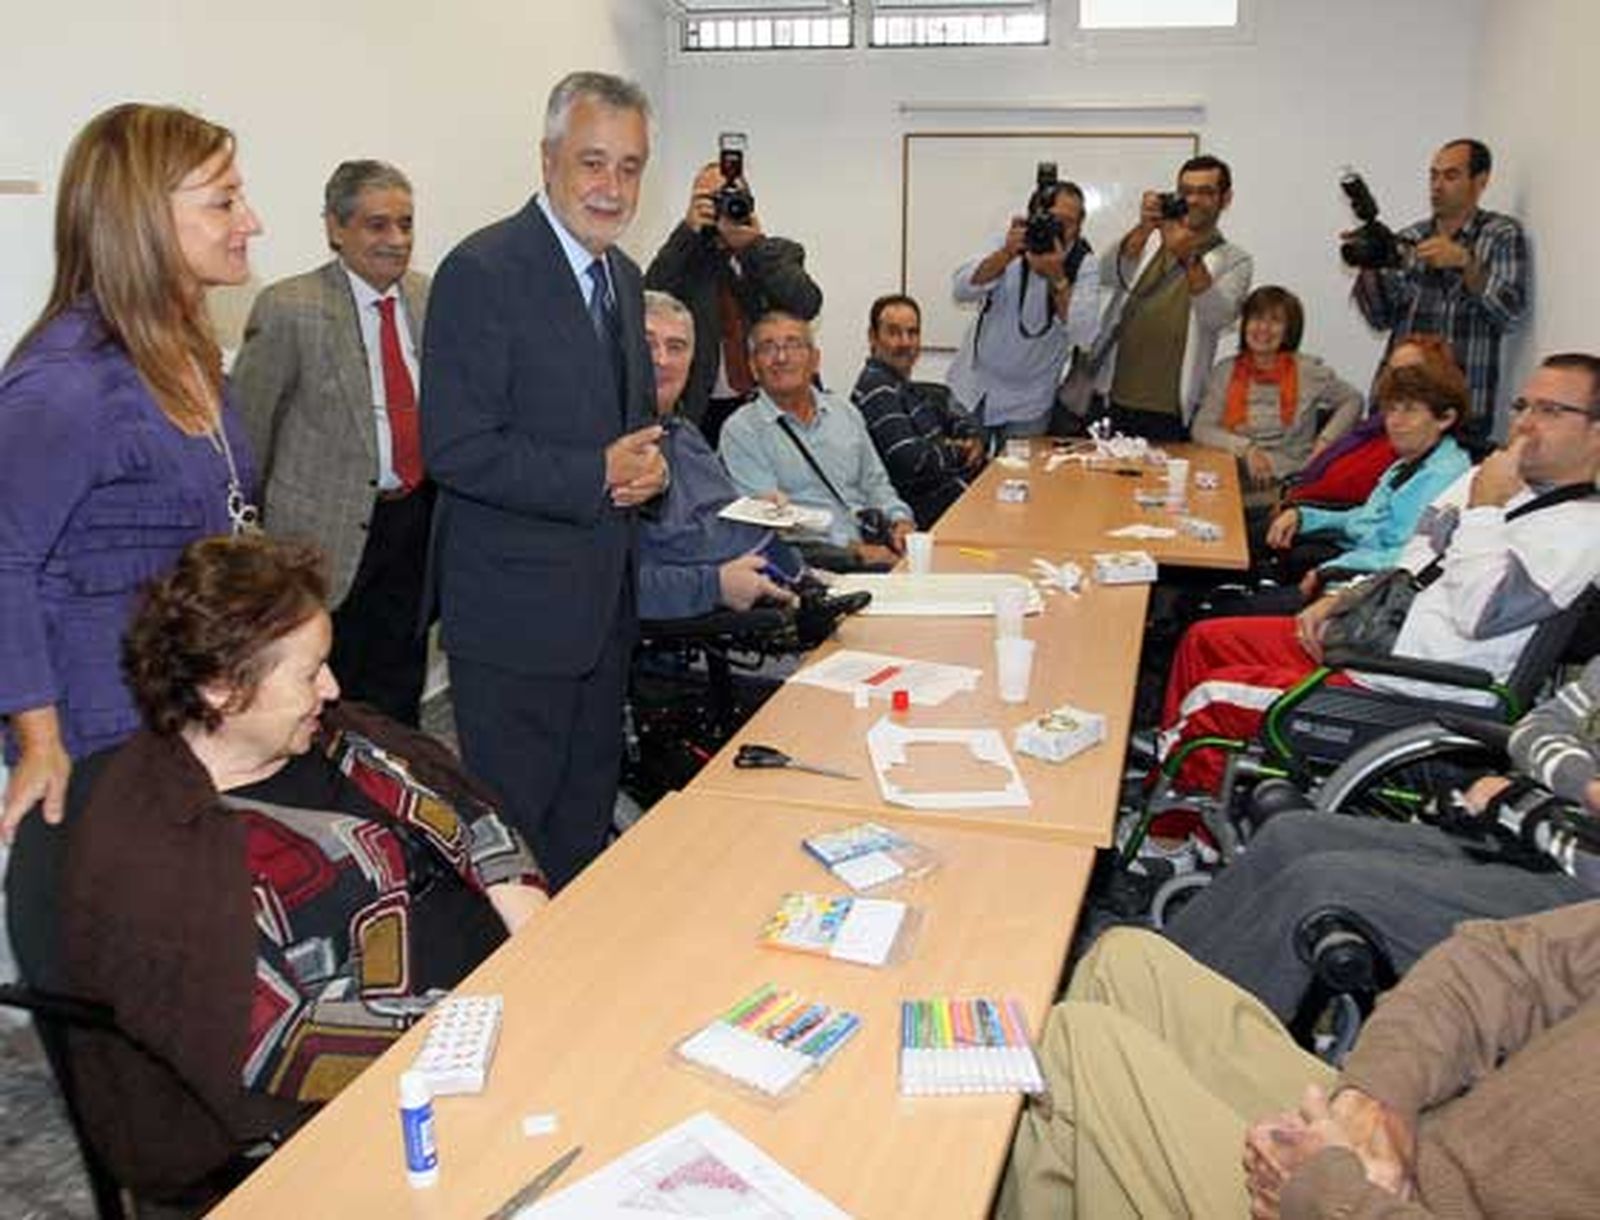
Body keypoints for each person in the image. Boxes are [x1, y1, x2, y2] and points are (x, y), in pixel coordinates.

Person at [18, 534, 545, 1198]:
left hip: (510, 1003)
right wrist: (482, 1025)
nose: (332, 686)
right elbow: (286, 1047)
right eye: (308, 672)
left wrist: (522, 906)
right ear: (221, 690)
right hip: (399, 1097)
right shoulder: (158, 859)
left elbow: (464, 812)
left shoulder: (329, 731)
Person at [420, 71, 666, 890]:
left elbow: (621, 434)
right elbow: (456, 449)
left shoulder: (623, 279)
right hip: (516, 622)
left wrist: (646, 473)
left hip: (604, 614)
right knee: (517, 845)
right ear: (548, 158)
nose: (612, 187)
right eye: (593, 162)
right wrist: (596, 475)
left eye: (630, 167)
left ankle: (577, 987)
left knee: (581, 830)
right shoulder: (483, 271)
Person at [1157, 353, 1600, 795]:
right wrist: (1347, 597)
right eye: (1522, 406)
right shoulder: (1495, 479)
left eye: (1550, 411)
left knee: (1213, 697)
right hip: (1378, 638)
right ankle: (1185, 787)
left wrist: (1485, 508)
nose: (1525, 423)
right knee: (1206, 640)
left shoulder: (1579, 531)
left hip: (1414, 687)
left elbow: (1477, 612)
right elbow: (1415, 555)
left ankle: (1173, 831)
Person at [0, 102, 263, 840]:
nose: (252, 221)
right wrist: (39, 742)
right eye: (224, 201)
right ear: (143, 219)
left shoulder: (193, 358)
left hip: (187, 720)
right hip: (102, 745)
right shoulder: (67, 382)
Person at [998, 908, 1600, 1218]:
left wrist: (1329, 1195)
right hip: (1416, 1154)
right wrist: (1376, 1104)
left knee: (1084, 1049)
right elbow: (1504, 961)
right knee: (1129, 963)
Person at [232, 160, 434, 726]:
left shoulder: (426, 297)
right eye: (377, 225)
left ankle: (396, 790)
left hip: (412, 526)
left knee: (400, 682)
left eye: (406, 224)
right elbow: (249, 434)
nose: (396, 241)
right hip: (323, 542)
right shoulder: (289, 308)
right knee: (324, 693)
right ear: (335, 229)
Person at [1351, 139, 1529, 448]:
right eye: (1433, 176)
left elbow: (1510, 314)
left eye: (1450, 176)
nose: (1437, 186)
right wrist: (1370, 264)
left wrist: (1465, 263)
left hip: (1462, 408)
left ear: (1481, 181)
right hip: (1398, 407)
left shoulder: (1501, 234)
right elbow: (1380, 317)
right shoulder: (1410, 238)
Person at [639, 290, 798, 618]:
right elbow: (611, 585)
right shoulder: (614, 450)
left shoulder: (685, 435)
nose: (662, 359)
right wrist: (714, 586)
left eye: (676, 347)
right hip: (708, 626)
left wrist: (758, 510)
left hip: (766, 588)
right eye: (648, 343)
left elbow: (721, 513)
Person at [644, 159, 822, 445]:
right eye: (711, 199)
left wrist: (754, 247)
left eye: (729, 197)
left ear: (748, 202)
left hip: (768, 403)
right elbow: (648, 300)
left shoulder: (777, 253)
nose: (721, 207)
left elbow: (806, 303)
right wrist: (686, 233)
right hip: (702, 410)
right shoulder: (685, 260)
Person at [720, 312, 914, 570]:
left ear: (815, 360)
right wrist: (852, 549)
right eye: (768, 348)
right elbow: (769, 524)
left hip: (875, 546)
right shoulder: (742, 431)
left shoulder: (845, 413)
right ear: (754, 367)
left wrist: (900, 522)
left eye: (793, 345)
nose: (781, 357)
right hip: (816, 565)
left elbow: (875, 483)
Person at [1263, 362, 1471, 599]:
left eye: (1410, 410)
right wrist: (1303, 516)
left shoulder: (1444, 477)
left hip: (1366, 595)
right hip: (1353, 573)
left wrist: (1330, 571)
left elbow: (1405, 555)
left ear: (1445, 418)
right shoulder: (1409, 462)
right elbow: (1365, 518)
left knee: (1224, 615)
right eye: (1392, 409)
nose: (1395, 421)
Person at [1095, 154, 1254, 442]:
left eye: (1205, 192)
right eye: (1186, 191)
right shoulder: (1152, 238)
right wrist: (1144, 228)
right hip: (1116, 394)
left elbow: (1216, 317)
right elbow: (1107, 274)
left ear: (1225, 198)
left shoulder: (1235, 260)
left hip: (1170, 406)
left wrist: (1188, 256)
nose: (1193, 200)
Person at [946, 178, 1100, 445]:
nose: (1058, 229)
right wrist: (1005, 255)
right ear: (1034, 216)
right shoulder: (1010, 243)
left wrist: (1058, 278)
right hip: (974, 386)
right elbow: (961, 290)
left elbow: (1084, 335)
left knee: (1019, 481)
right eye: (1052, 220)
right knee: (962, 474)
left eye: (1068, 222)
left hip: (1030, 400)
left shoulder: (1083, 264)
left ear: (1080, 224)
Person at [1189, 285, 1362, 510]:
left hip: (1287, 487)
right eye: (1257, 318)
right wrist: (1247, 448)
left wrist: (1325, 442)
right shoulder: (1225, 371)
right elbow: (1201, 429)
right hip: (1232, 481)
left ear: (1289, 330)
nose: (1263, 328)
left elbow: (1353, 400)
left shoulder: (1309, 372)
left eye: (1275, 321)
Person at [851, 293, 985, 529]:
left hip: (947, 498)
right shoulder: (877, 387)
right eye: (893, 332)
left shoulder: (905, 387)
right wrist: (960, 453)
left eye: (912, 333)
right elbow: (911, 460)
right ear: (873, 337)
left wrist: (971, 436)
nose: (905, 342)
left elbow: (955, 418)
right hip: (919, 516)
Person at [1285, 333, 1462, 509]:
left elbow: (1358, 508)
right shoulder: (1373, 430)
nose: (1397, 380)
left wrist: (1300, 511)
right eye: (1391, 370)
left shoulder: (1409, 444)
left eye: (1408, 372)